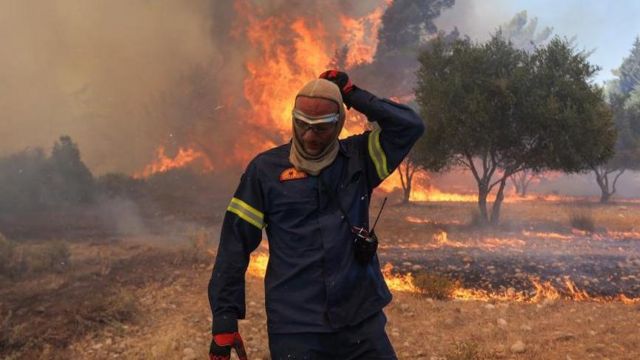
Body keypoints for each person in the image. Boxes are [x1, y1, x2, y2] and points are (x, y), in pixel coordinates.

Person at [208, 70, 425, 359]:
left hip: (360, 321)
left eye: (321, 128)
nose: (309, 135)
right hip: (297, 329)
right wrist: (225, 318)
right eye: (302, 124)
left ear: (338, 125)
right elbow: (234, 244)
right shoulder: (265, 171)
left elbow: (409, 125)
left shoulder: (361, 158)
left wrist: (352, 93)